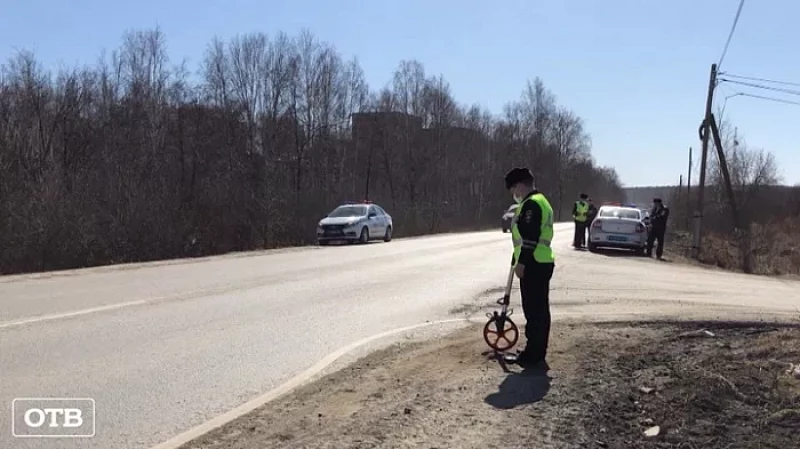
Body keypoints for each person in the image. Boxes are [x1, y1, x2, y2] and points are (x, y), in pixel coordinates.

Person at [504, 167, 556, 369]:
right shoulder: (540, 201)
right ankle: (536, 351)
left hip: (534, 263)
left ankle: (532, 355)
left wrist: (522, 262)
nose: (512, 193)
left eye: (512, 188)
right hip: (541, 261)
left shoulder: (531, 205)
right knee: (539, 310)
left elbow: (530, 238)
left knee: (534, 311)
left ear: (520, 185)